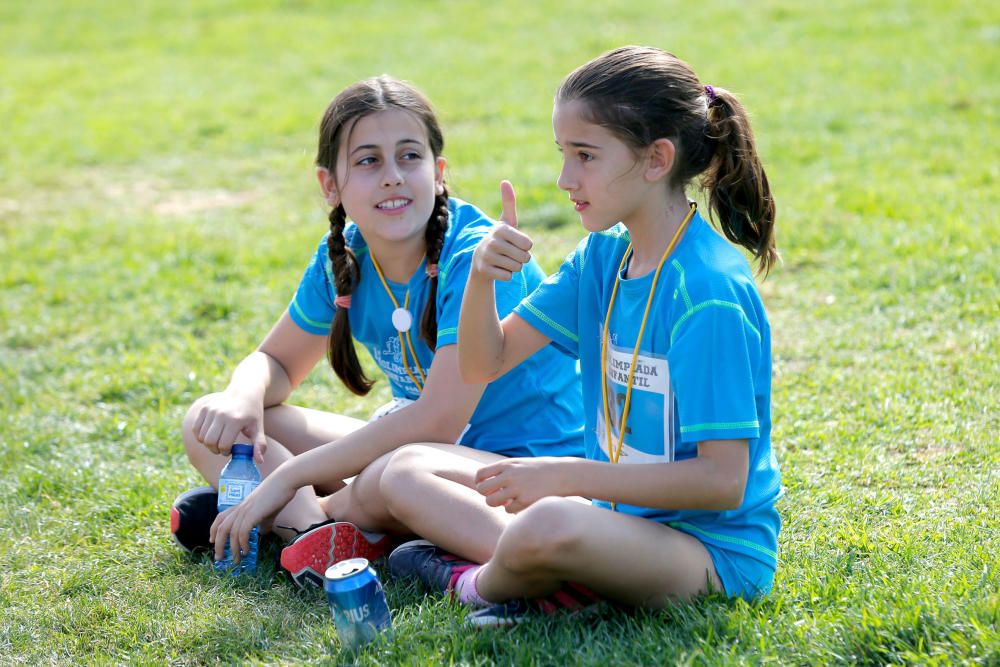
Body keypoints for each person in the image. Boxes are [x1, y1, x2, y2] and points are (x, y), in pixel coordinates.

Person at [384, 46, 782, 626]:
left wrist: (564, 476)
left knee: (548, 524)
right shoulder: (603, 256)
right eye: (563, 154)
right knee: (408, 467)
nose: (565, 178)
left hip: (707, 555)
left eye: (586, 155)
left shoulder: (707, 294)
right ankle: (554, 573)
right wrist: (479, 278)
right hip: (609, 516)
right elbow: (483, 363)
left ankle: (476, 582)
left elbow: (723, 482)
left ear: (656, 160)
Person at [172, 75, 584, 588]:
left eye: (408, 156)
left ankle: (291, 517)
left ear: (438, 172)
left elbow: (437, 421)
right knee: (207, 423)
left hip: (516, 465)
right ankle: (315, 531)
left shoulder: (474, 256)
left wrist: (288, 476)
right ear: (330, 185)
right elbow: (276, 364)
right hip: (422, 451)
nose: (391, 176)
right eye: (368, 161)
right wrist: (242, 394)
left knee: (387, 475)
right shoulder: (345, 256)